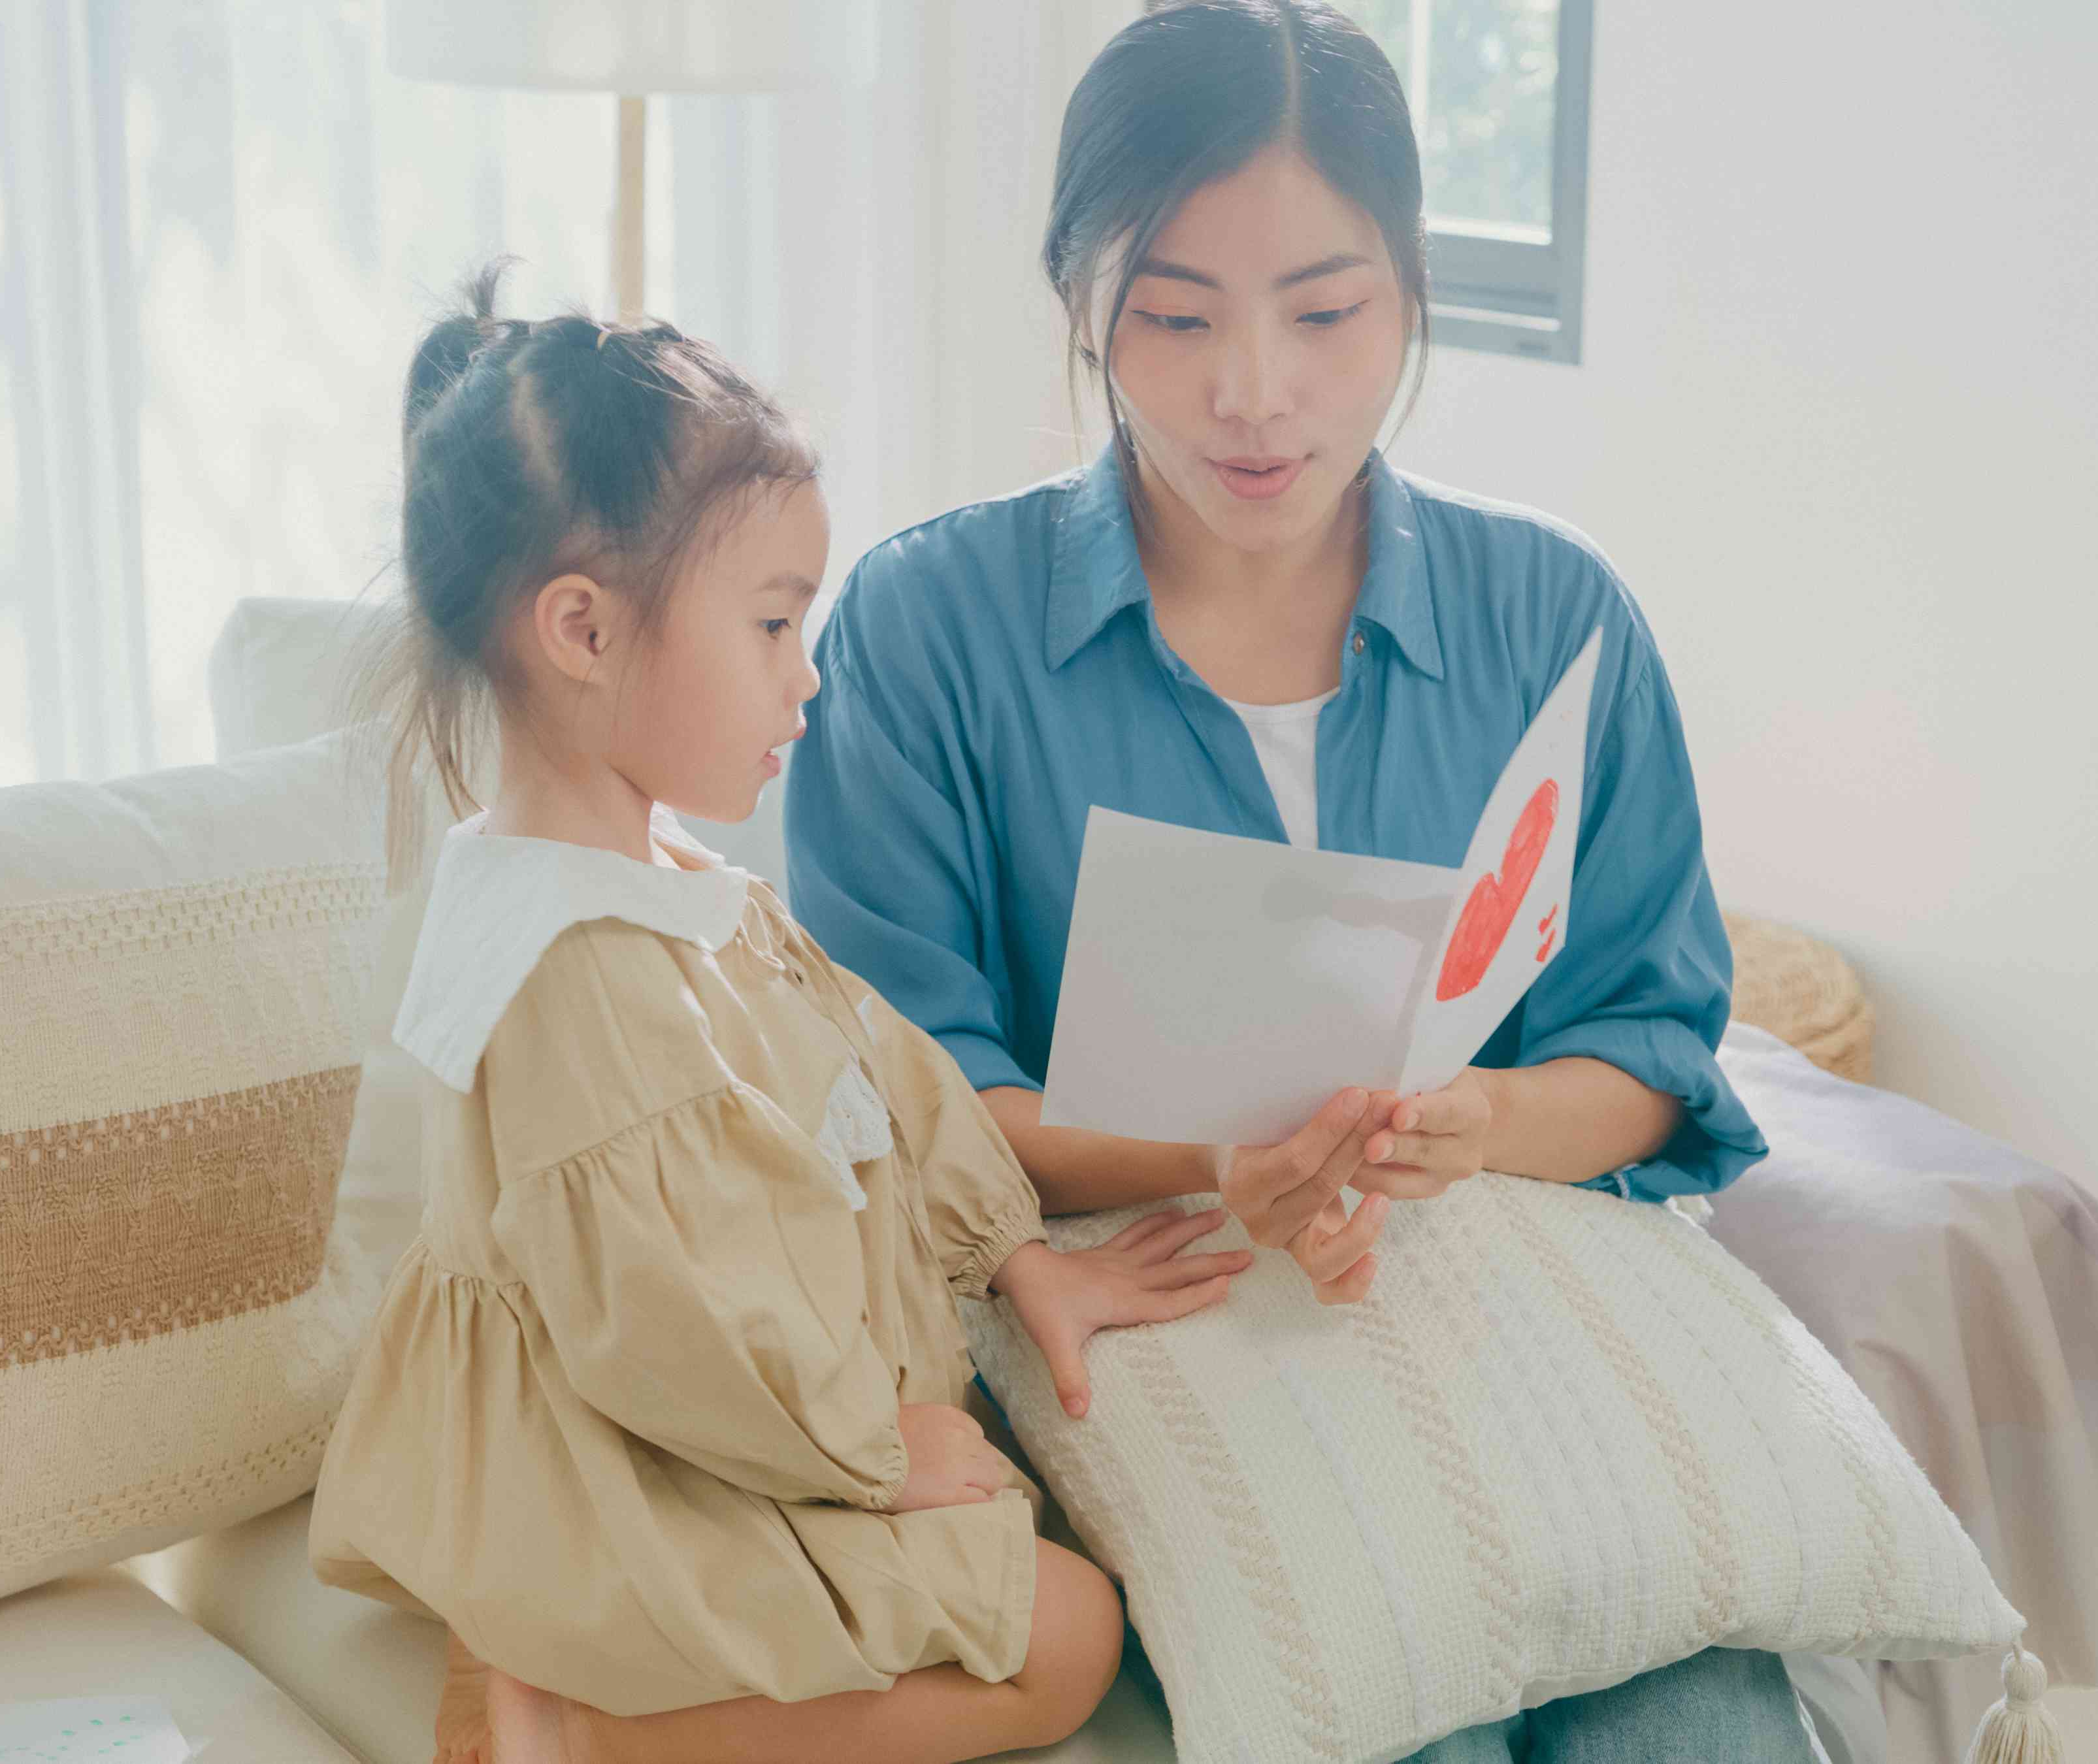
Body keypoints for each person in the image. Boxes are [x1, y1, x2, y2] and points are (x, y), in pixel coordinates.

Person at [785, 5, 1811, 1757]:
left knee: (1707, 1714)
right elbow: (913, 1092)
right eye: (1177, 318)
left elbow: (1653, 1055)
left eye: (1326, 312)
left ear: (1411, 291)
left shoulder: (1556, 620)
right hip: (1178, 1363)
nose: (1254, 390)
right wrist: (1223, 1167)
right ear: (1083, 306)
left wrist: (1478, 1122)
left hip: (1505, 1328)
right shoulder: (926, 631)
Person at [306, 266, 1253, 1764]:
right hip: (636, 1463)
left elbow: (878, 1072)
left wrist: (1016, 1260)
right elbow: (685, 1332)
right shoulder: (580, 972)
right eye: (769, 626)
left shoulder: (665, 874)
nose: (807, 681)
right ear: (584, 631)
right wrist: (880, 1456)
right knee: (1072, 1640)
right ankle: (571, 1729)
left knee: (1051, 1556)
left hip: (716, 1420)